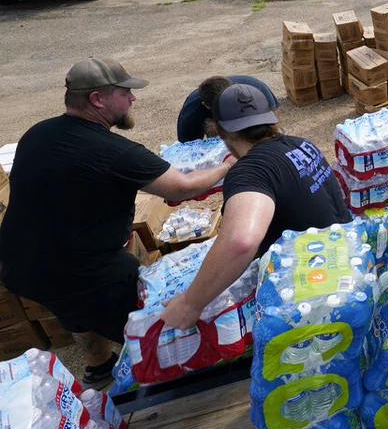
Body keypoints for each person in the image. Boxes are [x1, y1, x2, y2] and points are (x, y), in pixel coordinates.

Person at [0, 59, 233, 388]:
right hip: (82, 268)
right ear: (97, 99)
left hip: (19, 266)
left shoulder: (38, 133)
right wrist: (228, 164)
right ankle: (171, 378)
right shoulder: (114, 152)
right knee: (153, 325)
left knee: (73, 308)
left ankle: (99, 366)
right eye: (125, 93)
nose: (133, 99)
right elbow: (184, 186)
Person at [160, 84, 352, 329]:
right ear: (271, 119)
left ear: (219, 132)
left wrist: (190, 304)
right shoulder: (300, 144)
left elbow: (241, 241)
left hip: (316, 296)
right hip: (346, 264)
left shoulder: (250, 172)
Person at [177, 75, 279, 143]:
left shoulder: (257, 89)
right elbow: (188, 148)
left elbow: (273, 125)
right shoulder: (192, 113)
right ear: (206, 106)